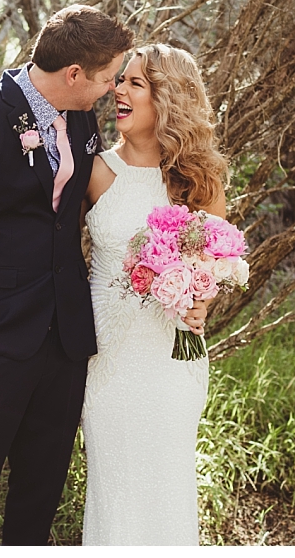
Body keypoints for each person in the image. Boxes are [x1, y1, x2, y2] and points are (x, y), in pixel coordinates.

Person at [0, 5, 134, 545]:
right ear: (74, 73)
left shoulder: (81, 118)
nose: (112, 89)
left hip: (65, 341)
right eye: (108, 78)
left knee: (41, 490)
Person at [80, 43, 229, 545]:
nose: (118, 90)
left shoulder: (198, 181)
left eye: (135, 83)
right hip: (107, 360)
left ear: (167, 98)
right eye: (119, 79)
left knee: (166, 488)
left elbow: (217, 261)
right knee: (113, 492)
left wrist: (203, 297)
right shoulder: (94, 172)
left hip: (171, 358)